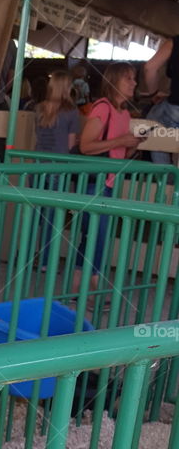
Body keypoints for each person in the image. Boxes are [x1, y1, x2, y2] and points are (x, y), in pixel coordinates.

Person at [74, 63, 144, 288]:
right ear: (114, 81)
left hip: (109, 182)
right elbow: (86, 145)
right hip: (96, 183)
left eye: (134, 78)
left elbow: (116, 151)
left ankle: (81, 287)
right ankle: (87, 287)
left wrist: (132, 146)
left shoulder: (123, 113)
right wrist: (122, 141)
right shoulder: (102, 107)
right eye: (128, 78)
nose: (133, 83)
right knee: (95, 236)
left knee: (97, 237)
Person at [34, 70, 82, 267]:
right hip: (58, 167)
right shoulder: (72, 112)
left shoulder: (38, 108)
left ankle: (28, 257)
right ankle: (45, 260)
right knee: (52, 217)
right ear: (67, 87)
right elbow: (71, 144)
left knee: (35, 214)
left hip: (38, 165)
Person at [142, 36, 179, 165]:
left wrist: (154, 93)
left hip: (176, 108)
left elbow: (150, 68)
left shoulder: (173, 42)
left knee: (152, 123)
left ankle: (164, 177)